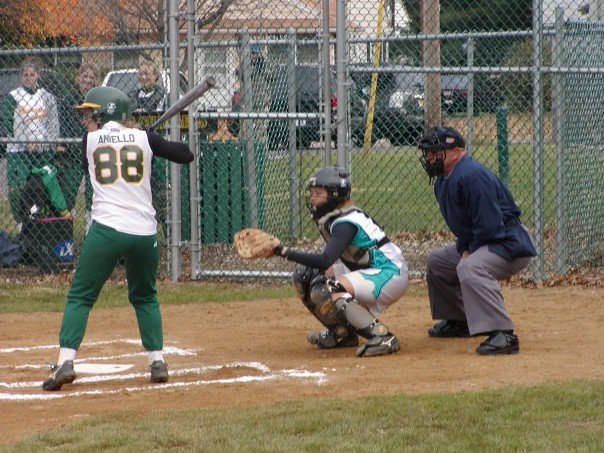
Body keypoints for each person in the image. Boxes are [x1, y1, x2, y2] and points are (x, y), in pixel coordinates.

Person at [42, 86, 194, 391]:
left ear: (106, 113)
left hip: (107, 231)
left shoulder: (89, 142)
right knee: (145, 296)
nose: (86, 120)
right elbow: (186, 155)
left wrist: (136, 138)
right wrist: (149, 140)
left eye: (90, 114)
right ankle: (157, 361)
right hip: (144, 234)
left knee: (81, 296)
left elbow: (98, 159)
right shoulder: (145, 138)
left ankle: (66, 361)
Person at [418, 126, 537, 355]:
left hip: (509, 243)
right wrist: (464, 246)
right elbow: (465, 228)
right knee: (438, 262)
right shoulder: (445, 179)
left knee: (470, 267)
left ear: (455, 151)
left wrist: (469, 250)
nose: (430, 157)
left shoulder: (471, 175)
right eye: (428, 152)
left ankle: (503, 334)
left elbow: (490, 225)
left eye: (436, 151)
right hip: (488, 239)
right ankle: (459, 320)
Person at [273, 166, 408, 357]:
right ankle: (343, 333)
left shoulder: (345, 223)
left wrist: (283, 251)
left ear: (335, 196)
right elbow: (327, 264)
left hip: (389, 273)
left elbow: (325, 259)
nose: (313, 198)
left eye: (319, 194)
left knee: (331, 288)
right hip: (371, 271)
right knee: (305, 275)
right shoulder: (336, 217)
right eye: (312, 193)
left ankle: (382, 336)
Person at [1, 58, 60, 226]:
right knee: (17, 189)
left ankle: (40, 223)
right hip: (19, 151)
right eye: (25, 75)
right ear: (21, 77)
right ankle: (21, 225)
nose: (28, 78)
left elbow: (53, 126)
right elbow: (7, 123)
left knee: (41, 189)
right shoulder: (13, 97)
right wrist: (26, 142)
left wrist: (42, 144)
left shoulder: (47, 97)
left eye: (32, 74)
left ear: (38, 75)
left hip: (42, 151)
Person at [129, 61, 168, 235]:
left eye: (148, 74)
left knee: (160, 192)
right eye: (141, 74)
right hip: (137, 149)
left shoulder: (163, 96)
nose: (144, 77)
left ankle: (167, 230)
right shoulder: (131, 96)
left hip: (155, 148)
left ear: (155, 76)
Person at [58, 63, 101, 215]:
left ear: (96, 80)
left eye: (91, 77)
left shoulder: (99, 99)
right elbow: (64, 127)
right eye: (85, 76)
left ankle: (90, 225)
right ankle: (66, 226)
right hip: (74, 153)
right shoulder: (69, 99)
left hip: (94, 153)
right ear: (78, 78)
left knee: (93, 192)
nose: (88, 80)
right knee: (68, 191)